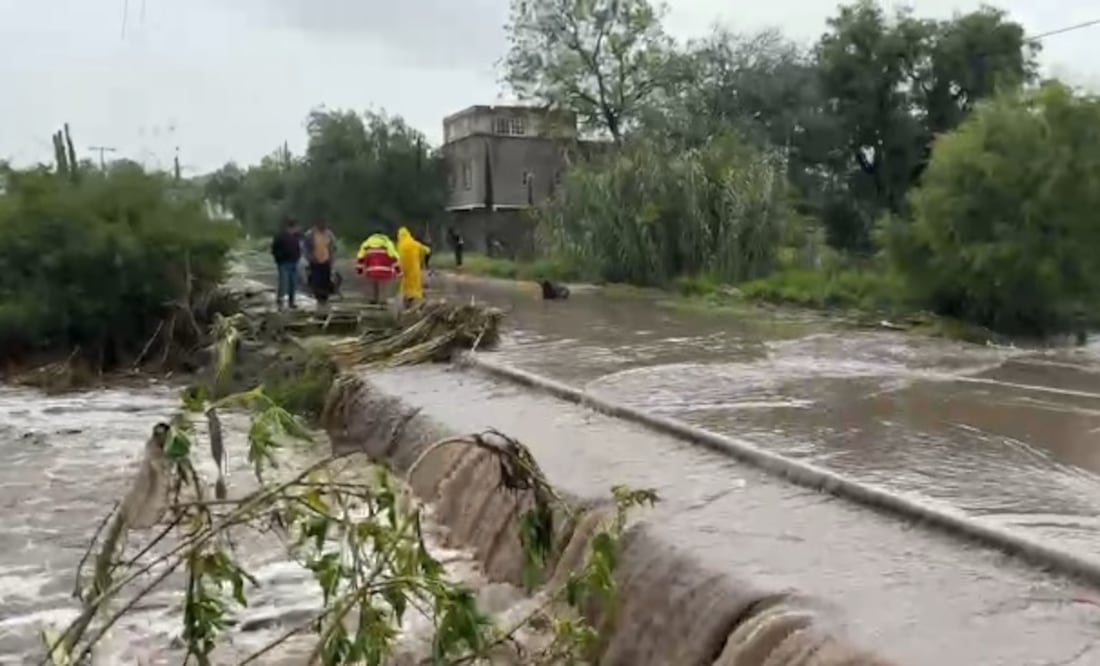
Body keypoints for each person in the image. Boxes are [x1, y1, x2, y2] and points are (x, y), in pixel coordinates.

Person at [355, 231, 402, 305]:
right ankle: (382, 302)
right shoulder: (388, 244)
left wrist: (359, 271)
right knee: (383, 290)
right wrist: (399, 272)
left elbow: (360, 258)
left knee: (371, 290)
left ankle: (372, 301)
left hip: (370, 272)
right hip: (385, 272)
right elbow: (394, 259)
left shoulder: (366, 245)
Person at [302, 220, 338, 307]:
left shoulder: (329, 234)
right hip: (315, 260)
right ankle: (318, 297)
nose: (323, 228)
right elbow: (305, 248)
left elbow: (333, 247)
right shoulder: (310, 234)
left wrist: (332, 258)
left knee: (325, 279)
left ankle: (325, 297)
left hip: (326, 260)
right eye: (322, 226)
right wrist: (310, 258)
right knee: (316, 279)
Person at [270, 218, 301, 309]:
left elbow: (298, 248)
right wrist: (278, 259)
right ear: (291, 227)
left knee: (293, 283)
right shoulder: (280, 236)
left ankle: (292, 302)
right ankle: (280, 300)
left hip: (294, 262)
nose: (297, 229)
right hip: (284, 263)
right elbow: (274, 249)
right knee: (284, 282)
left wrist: (298, 257)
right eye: (296, 227)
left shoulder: (296, 237)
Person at [397, 226, 431, 306]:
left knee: (406, 290)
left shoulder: (400, 246)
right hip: (414, 269)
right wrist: (422, 259)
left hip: (404, 270)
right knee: (415, 288)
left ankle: (406, 306)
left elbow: (397, 257)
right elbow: (427, 251)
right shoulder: (415, 244)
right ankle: (415, 306)